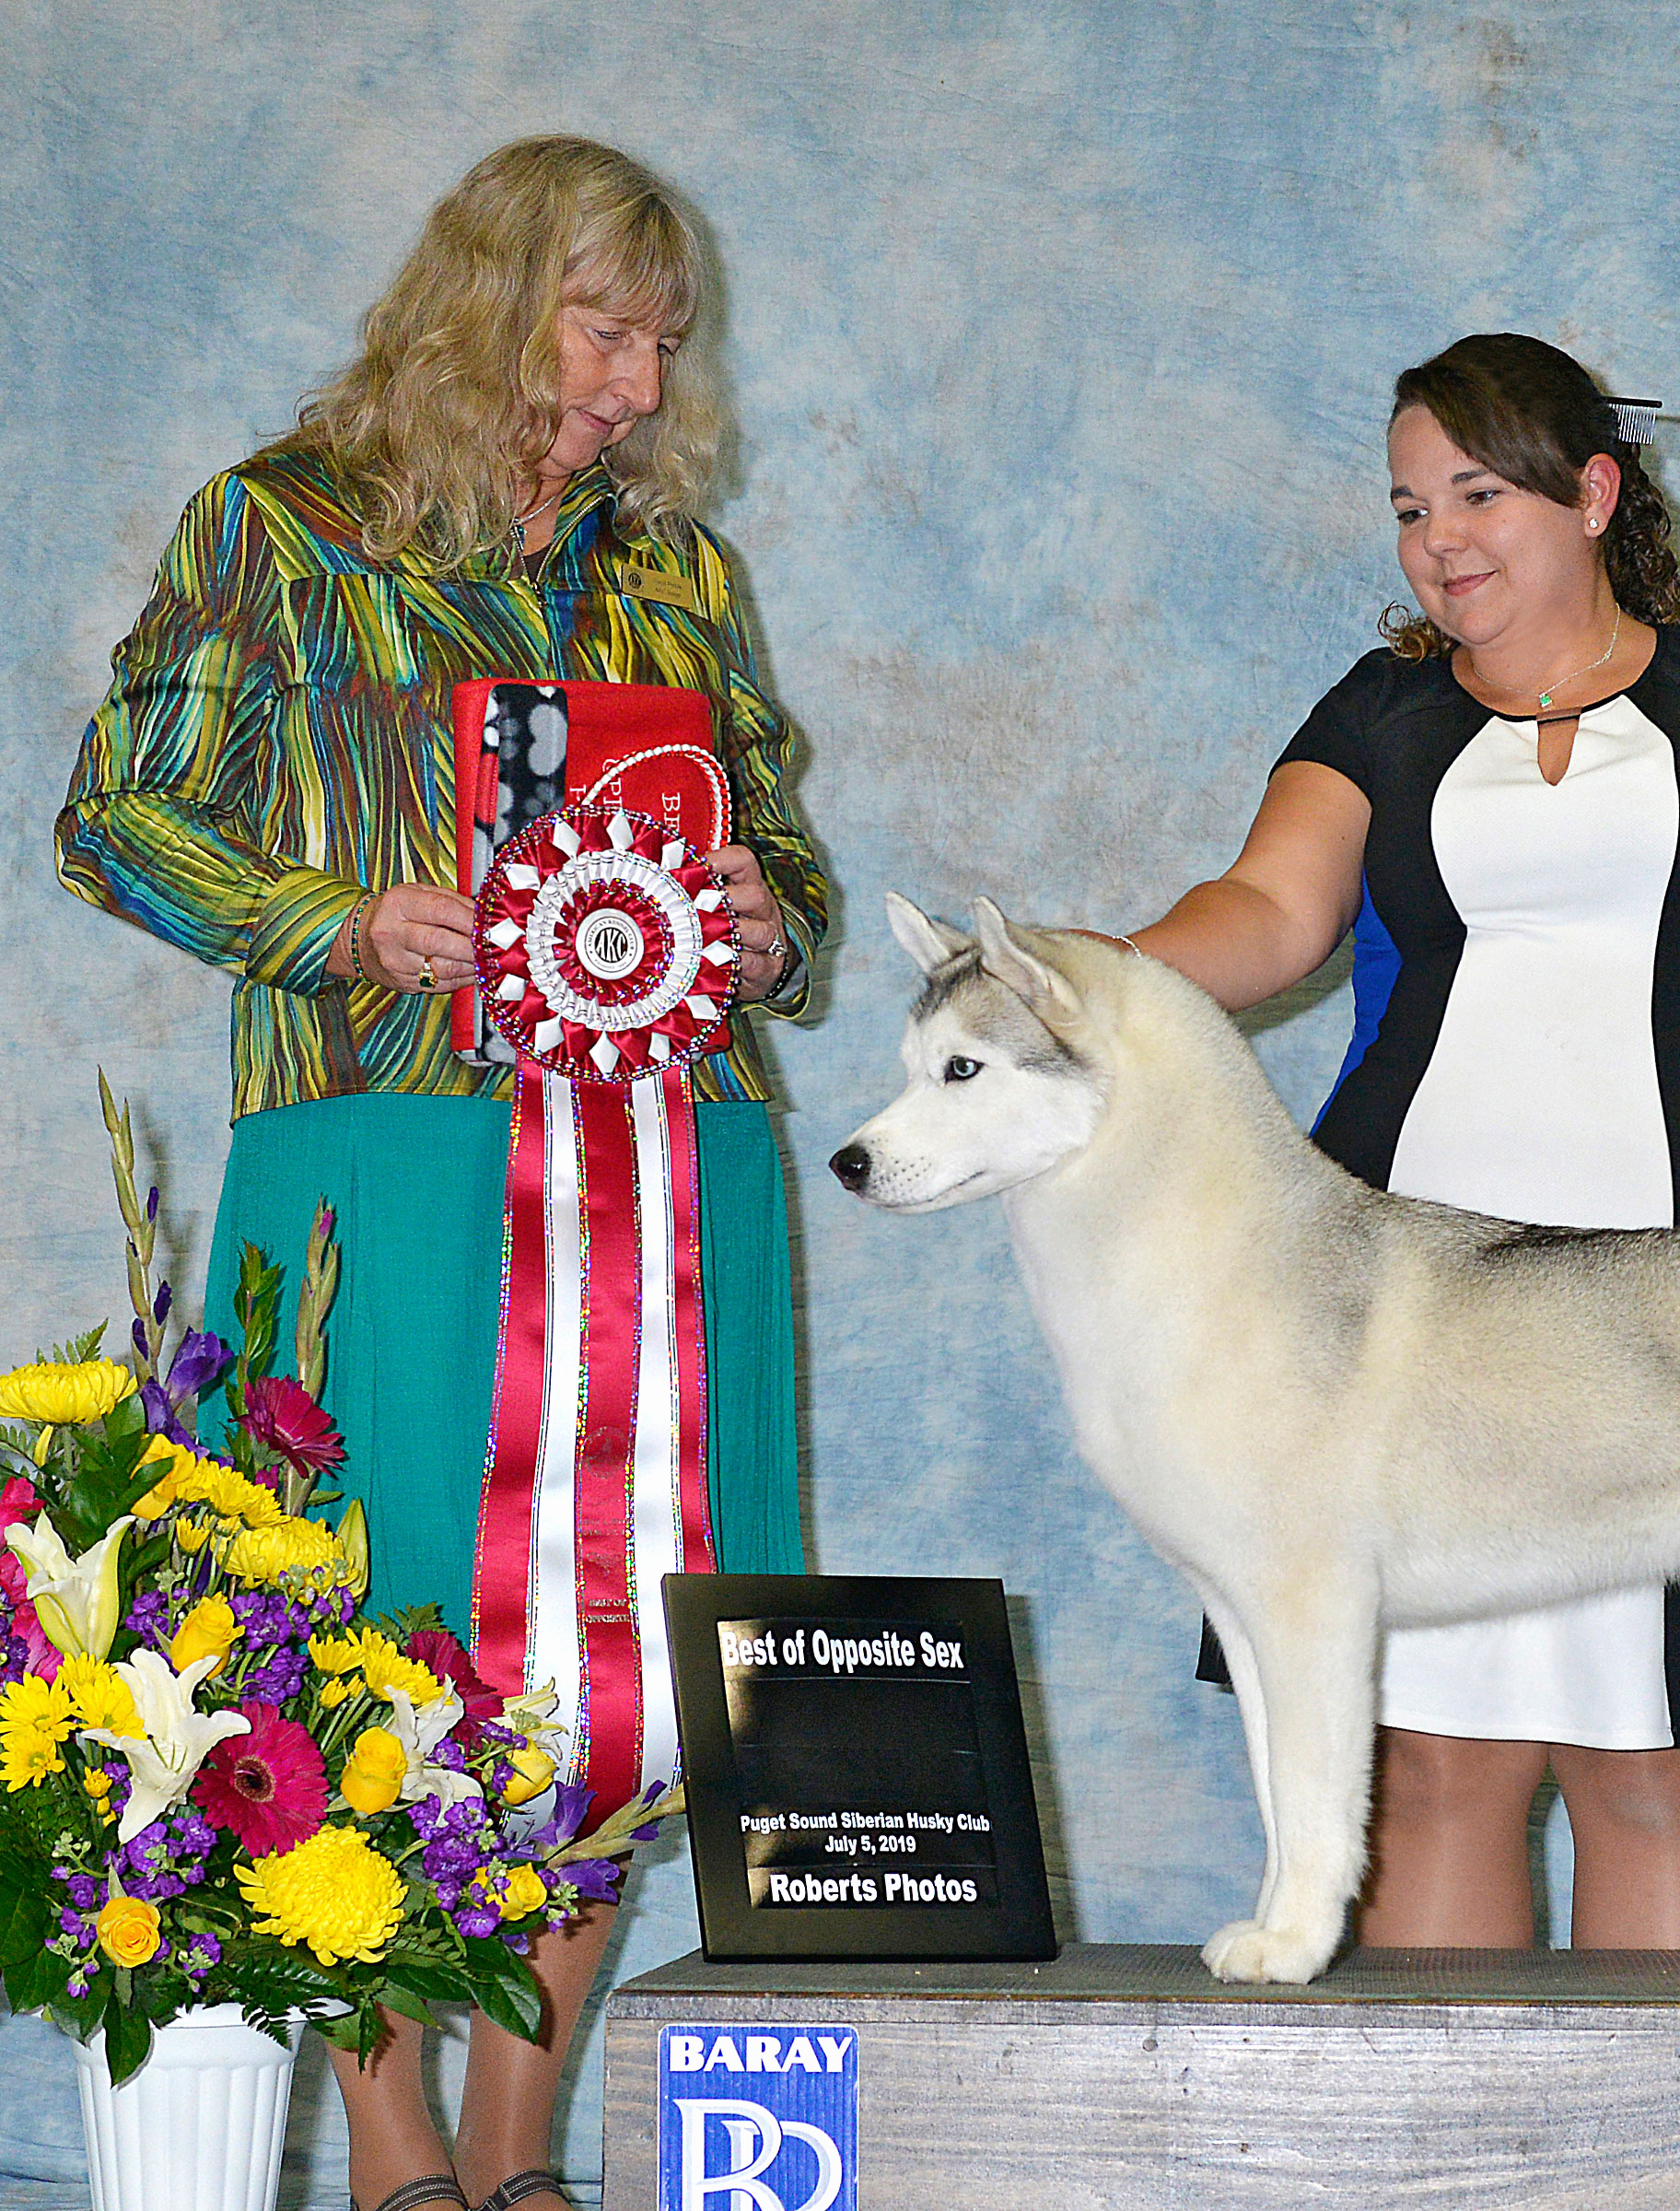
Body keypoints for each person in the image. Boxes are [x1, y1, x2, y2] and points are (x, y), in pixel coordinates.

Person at [57, 139, 826, 2211]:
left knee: (626, 1664)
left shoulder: (679, 576)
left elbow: (788, 865)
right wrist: (334, 920)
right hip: (384, 1156)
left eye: (664, 343)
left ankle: (522, 2153)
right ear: (485, 304)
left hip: (676, 1165)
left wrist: (765, 926)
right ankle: (392, 2146)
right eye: (605, 330)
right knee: (378, 1647)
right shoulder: (280, 527)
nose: (642, 386)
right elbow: (118, 811)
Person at [1128, 333, 1680, 1951]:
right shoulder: (1380, 710)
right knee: (1432, 1769)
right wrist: (1081, 983)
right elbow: (1270, 916)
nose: (1441, 540)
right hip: (1399, 1314)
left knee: (1654, 1763)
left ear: (1595, 494)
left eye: (1480, 494)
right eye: (1412, 508)